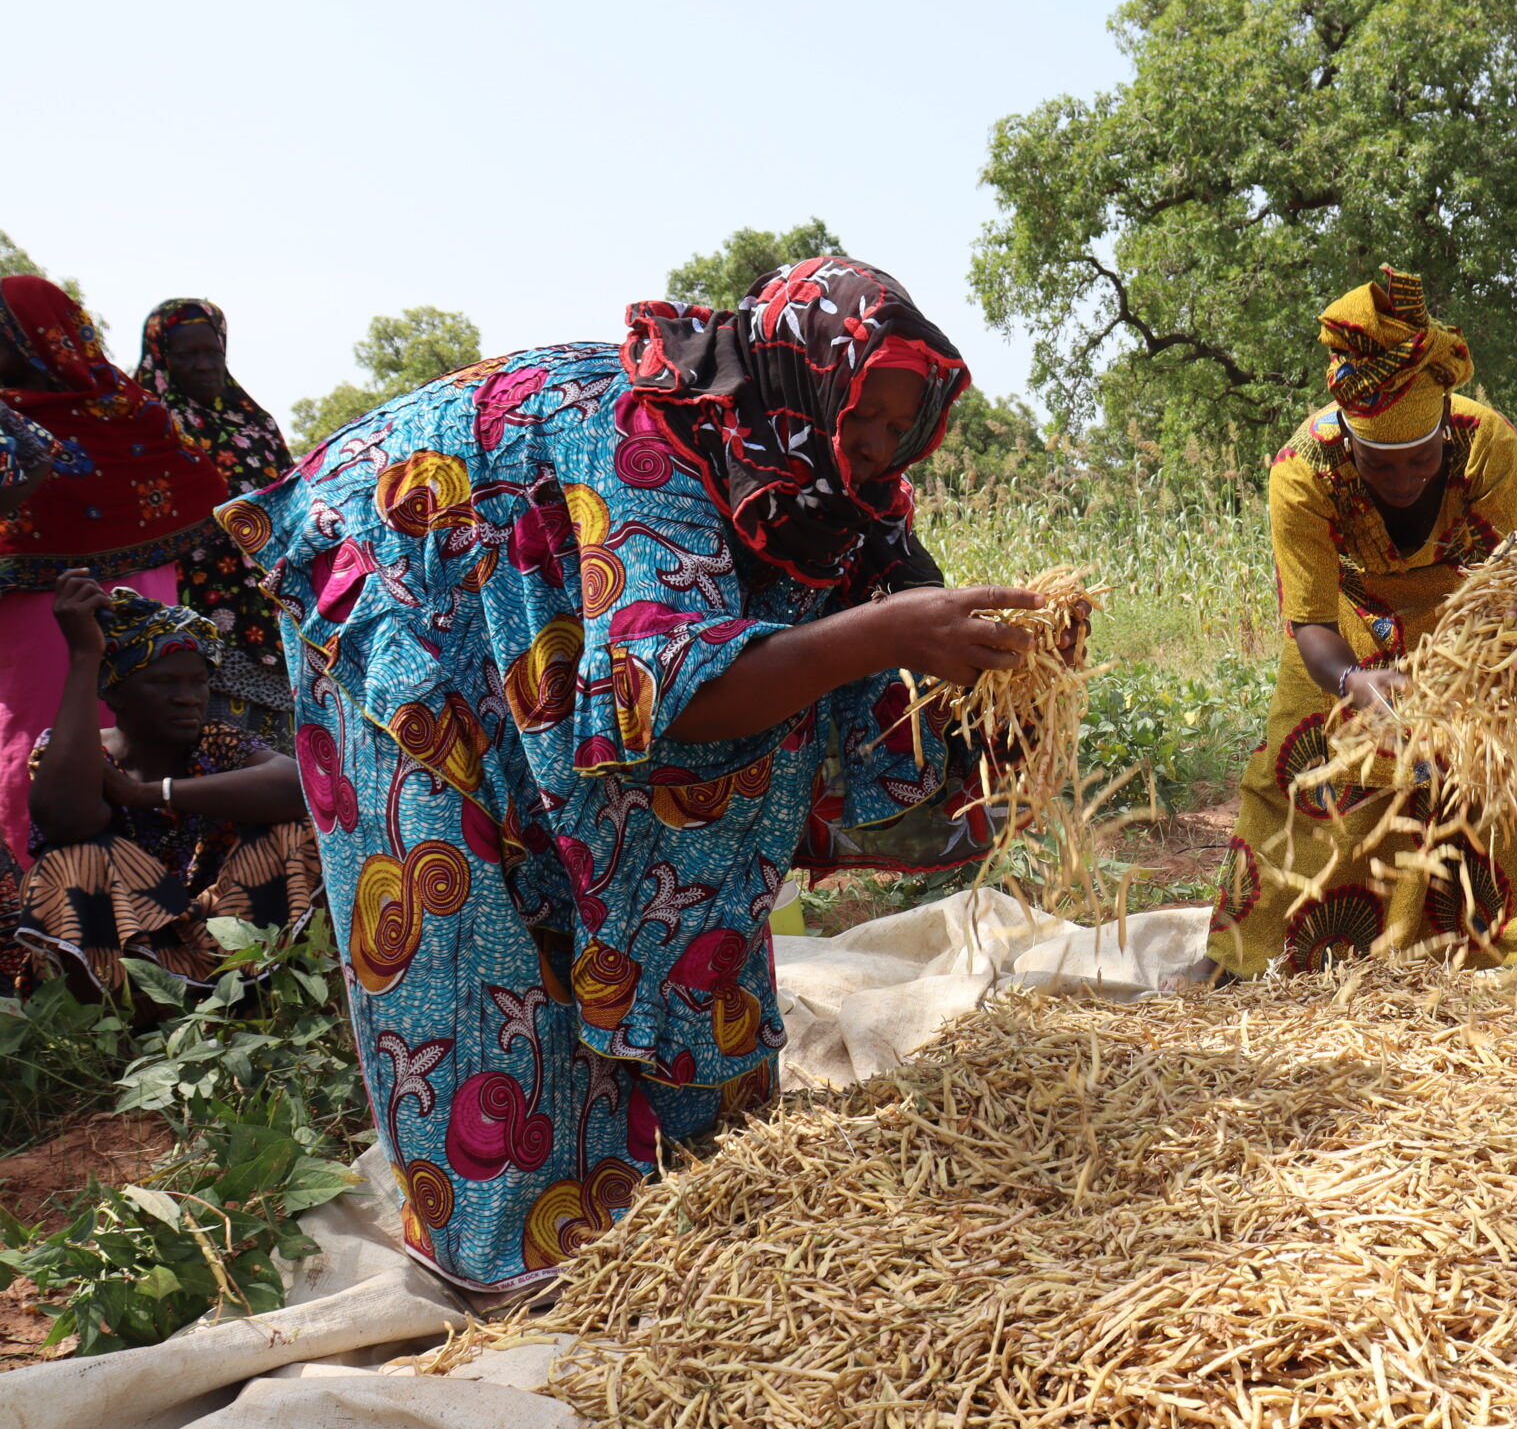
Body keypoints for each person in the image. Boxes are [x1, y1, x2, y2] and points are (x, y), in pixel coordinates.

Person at [218, 257, 1050, 1293]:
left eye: (897, 427)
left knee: (704, 814)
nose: (872, 447)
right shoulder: (640, 441)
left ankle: (699, 1146)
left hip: (544, 609)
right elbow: (671, 697)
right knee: (468, 902)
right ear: (806, 376)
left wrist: (1003, 676)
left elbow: (829, 684)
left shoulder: (829, 500)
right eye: (861, 415)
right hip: (410, 583)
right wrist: (879, 635)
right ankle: (518, 1239)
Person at [1202, 267, 1517, 979]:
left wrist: (1467, 686)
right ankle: (1246, 959)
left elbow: (1515, 588)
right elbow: (1308, 619)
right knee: (1295, 769)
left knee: (1500, 769)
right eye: (1378, 465)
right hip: (1350, 632)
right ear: (1348, 443)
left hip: (1472, 628)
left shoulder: (1492, 448)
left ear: (1446, 435)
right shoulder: (1302, 470)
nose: (1401, 481)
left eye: (1419, 461)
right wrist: (1355, 682)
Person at [0, 277, 230, 869]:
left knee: (140, 739)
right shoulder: (7, 424)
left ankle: (150, 893)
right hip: (27, 637)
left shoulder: (131, 418)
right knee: (33, 745)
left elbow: (202, 489)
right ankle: (39, 896)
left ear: (38, 340)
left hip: (136, 629)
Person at [18, 576, 318, 992]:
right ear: (115, 692)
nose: (188, 697)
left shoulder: (217, 744)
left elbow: (297, 786)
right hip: (125, 962)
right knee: (71, 861)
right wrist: (86, 655)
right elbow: (67, 822)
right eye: (163, 682)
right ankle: (111, 1019)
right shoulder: (81, 755)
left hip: (224, 952)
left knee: (296, 830)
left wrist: (145, 794)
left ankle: (261, 994)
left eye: (197, 681)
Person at [133, 298, 299, 740]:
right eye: (188, 355)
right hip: (182, 610)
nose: (205, 365)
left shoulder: (255, 423)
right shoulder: (146, 423)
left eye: (213, 353)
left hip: (264, 616)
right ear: (162, 358)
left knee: (270, 755)